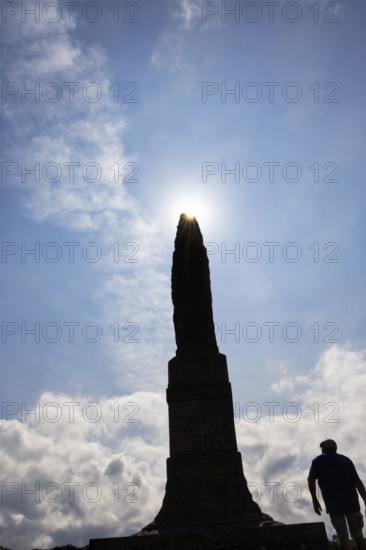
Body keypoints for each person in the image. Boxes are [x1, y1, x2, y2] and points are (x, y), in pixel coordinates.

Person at [308, 439, 366, 550]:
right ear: (336, 448)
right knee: (358, 536)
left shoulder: (318, 461)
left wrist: (315, 501)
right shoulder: (346, 460)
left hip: (334, 506)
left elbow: (311, 480)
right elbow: (358, 482)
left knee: (343, 537)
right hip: (352, 503)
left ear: (323, 449)